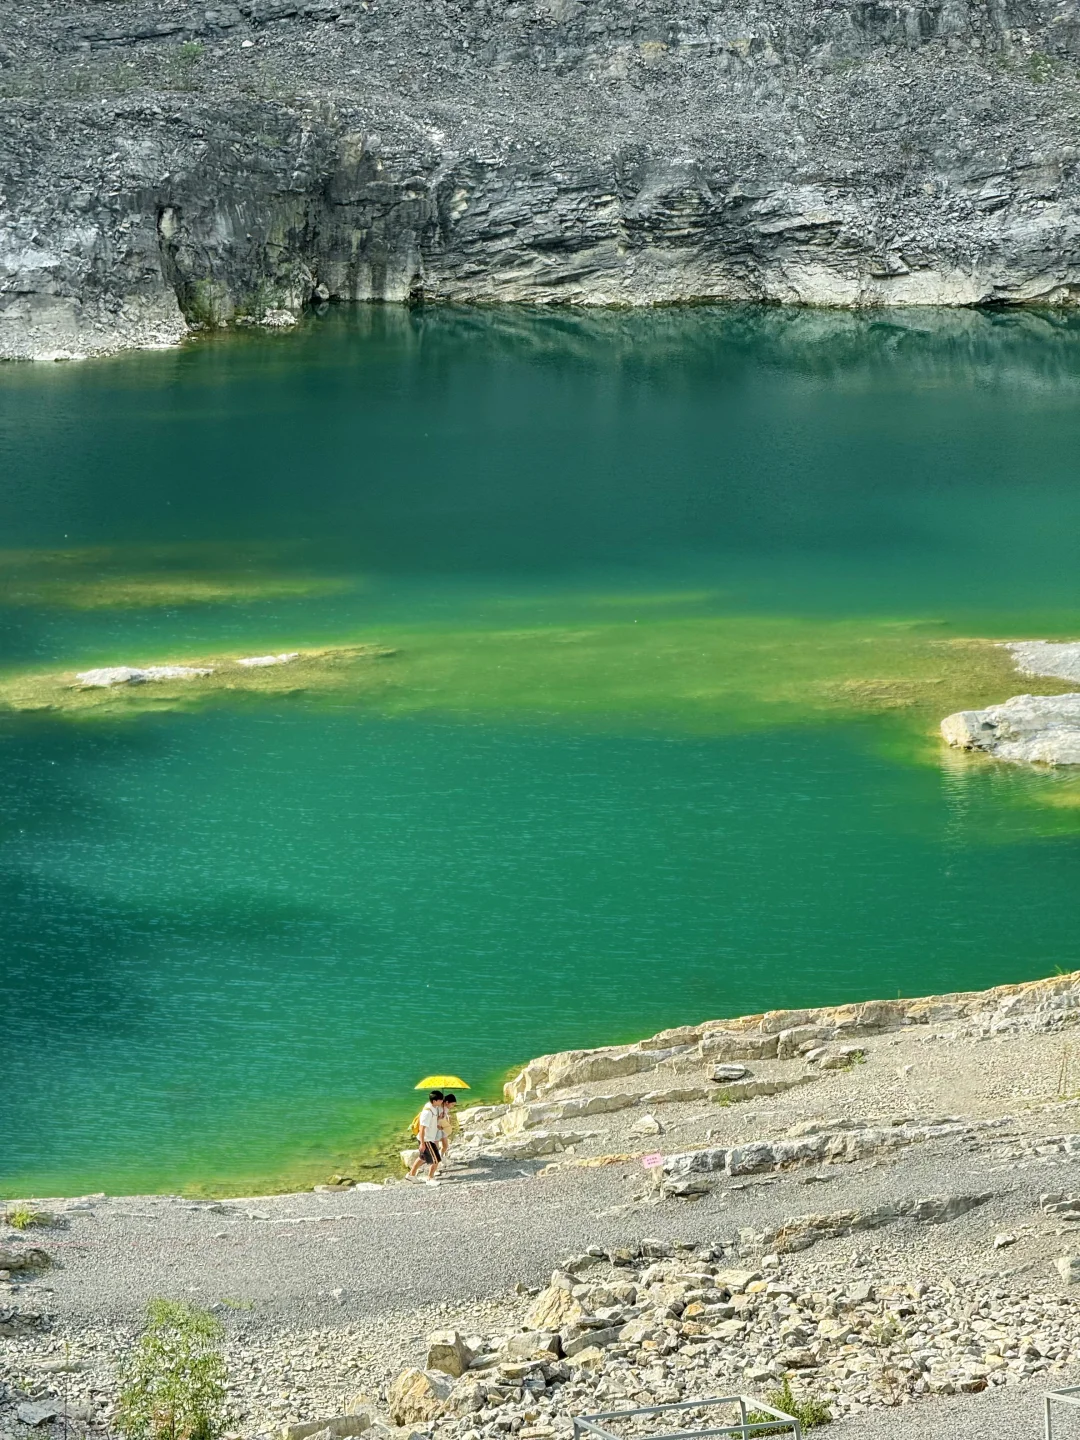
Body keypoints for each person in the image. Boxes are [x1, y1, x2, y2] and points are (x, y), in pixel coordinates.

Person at [408, 1089, 444, 1182]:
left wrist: (438, 1119)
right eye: (440, 1100)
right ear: (435, 1101)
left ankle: (411, 1175)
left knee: (422, 1158)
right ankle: (430, 1178)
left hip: (428, 1139)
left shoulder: (434, 1108)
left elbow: (431, 1122)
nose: (442, 1101)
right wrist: (422, 1144)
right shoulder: (427, 1112)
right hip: (427, 1140)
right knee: (436, 1160)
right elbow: (422, 1128)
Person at [438, 1093, 458, 1161]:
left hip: (444, 1127)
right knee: (437, 1146)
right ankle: (438, 1160)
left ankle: (441, 1156)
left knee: (445, 1146)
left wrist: (447, 1118)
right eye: (452, 1104)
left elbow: (445, 1116)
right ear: (447, 1102)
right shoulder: (438, 1108)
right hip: (437, 1129)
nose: (453, 1106)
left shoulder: (446, 1108)